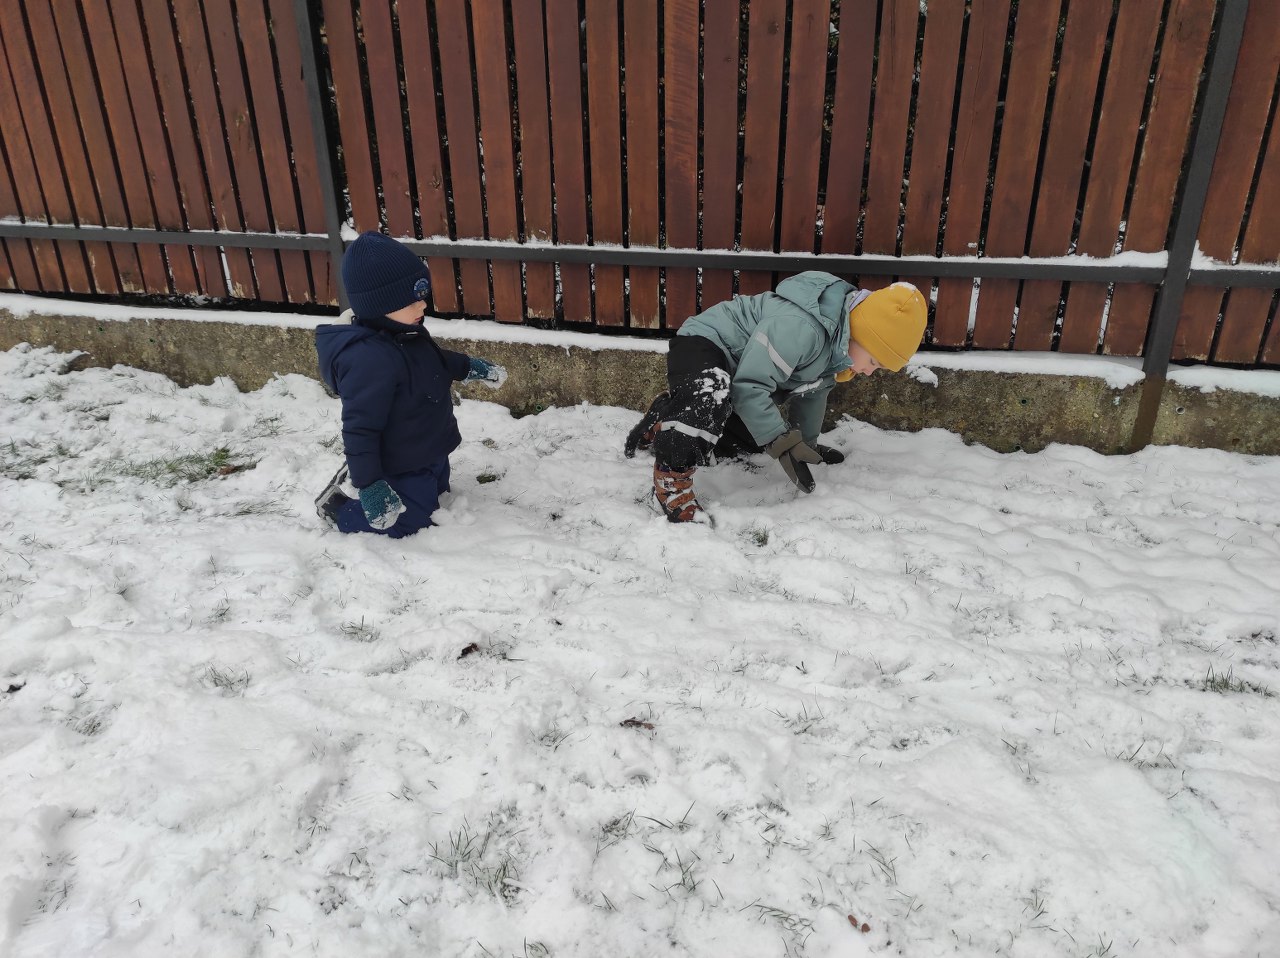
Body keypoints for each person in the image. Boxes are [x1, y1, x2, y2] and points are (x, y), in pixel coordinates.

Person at [625, 271, 927, 522]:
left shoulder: (835, 346)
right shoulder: (803, 328)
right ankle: (672, 479)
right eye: (874, 361)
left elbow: (812, 396)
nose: (870, 371)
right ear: (861, 331)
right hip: (706, 344)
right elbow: (749, 387)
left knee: (749, 441)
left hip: (738, 370)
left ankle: (667, 415)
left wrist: (803, 444)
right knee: (711, 396)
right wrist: (779, 440)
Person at [313, 232, 506, 537]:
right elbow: (360, 430)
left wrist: (469, 367)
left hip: (427, 446)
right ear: (378, 305)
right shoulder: (368, 361)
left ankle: (411, 482)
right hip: (400, 460)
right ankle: (340, 508)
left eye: (422, 297)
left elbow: (433, 360)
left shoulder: (404, 331)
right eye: (411, 301)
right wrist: (369, 484)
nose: (422, 306)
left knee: (439, 490)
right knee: (411, 520)